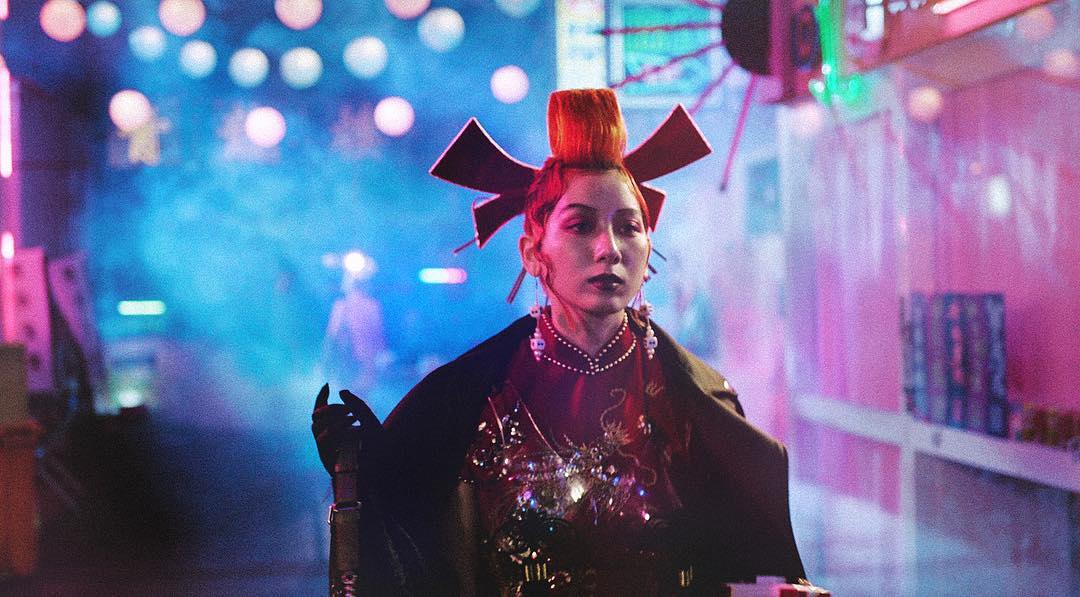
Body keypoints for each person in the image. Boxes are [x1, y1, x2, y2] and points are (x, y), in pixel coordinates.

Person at [312, 89, 807, 596]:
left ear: (647, 252)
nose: (609, 249)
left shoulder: (696, 405)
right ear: (532, 252)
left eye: (628, 227)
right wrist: (365, 477)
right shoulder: (468, 402)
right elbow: (411, 558)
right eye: (581, 225)